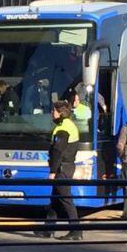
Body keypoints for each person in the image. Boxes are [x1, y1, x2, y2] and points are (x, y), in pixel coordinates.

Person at [36, 100, 82, 240]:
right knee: (55, 199)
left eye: (54, 111)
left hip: (62, 168)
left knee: (65, 199)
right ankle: (49, 229)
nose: (51, 113)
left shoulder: (63, 129)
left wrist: (53, 171)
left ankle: (76, 230)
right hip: (66, 167)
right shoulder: (68, 125)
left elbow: (58, 152)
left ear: (60, 113)